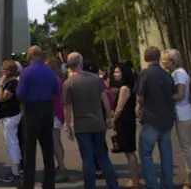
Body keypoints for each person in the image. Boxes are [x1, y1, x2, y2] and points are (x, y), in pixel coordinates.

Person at [63, 52, 119, 189]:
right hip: (98, 123)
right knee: (103, 156)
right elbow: (104, 99)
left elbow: (67, 107)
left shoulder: (68, 83)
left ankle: (90, 186)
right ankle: (113, 184)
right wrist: (109, 117)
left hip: (82, 126)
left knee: (87, 158)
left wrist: (68, 125)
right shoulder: (95, 79)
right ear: (81, 63)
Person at [16, 46, 58, 189]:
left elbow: (20, 93)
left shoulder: (26, 72)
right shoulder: (51, 72)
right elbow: (55, 91)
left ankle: (28, 184)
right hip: (47, 108)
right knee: (48, 147)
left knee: (29, 148)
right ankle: (49, 182)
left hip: (32, 110)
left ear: (30, 56)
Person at [137, 46, 175, 189]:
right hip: (166, 118)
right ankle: (167, 183)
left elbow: (140, 97)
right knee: (166, 153)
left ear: (146, 58)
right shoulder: (167, 75)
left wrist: (141, 107)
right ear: (158, 57)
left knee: (146, 152)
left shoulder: (145, 74)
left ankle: (152, 184)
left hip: (151, 117)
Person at [161, 49, 191, 189]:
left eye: (166, 59)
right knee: (188, 146)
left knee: (187, 147)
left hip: (183, 113)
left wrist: (163, 98)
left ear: (173, 61)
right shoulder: (177, 73)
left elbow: (180, 95)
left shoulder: (179, 74)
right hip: (184, 113)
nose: (163, 62)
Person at [112, 63, 140, 188]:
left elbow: (119, 107)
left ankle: (134, 180)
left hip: (124, 120)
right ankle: (135, 179)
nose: (114, 74)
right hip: (128, 119)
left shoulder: (124, 88)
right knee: (129, 151)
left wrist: (113, 120)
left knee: (129, 151)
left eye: (117, 72)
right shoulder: (129, 86)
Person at [0, 59, 22, 183]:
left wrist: (1, 84)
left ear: (8, 71)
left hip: (10, 115)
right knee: (12, 142)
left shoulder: (12, 84)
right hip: (12, 114)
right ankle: (16, 168)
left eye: (3, 68)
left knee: (11, 142)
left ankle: (15, 171)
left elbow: (2, 98)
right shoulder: (14, 82)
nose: (1, 70)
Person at [46, 57, 69, 182]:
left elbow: (51, 96)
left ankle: (61, 168)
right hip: (58, 112)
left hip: (54, 113)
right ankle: (61, 165)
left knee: (55, 142)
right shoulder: (60, 79)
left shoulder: (54, 80)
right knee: (57, 141)